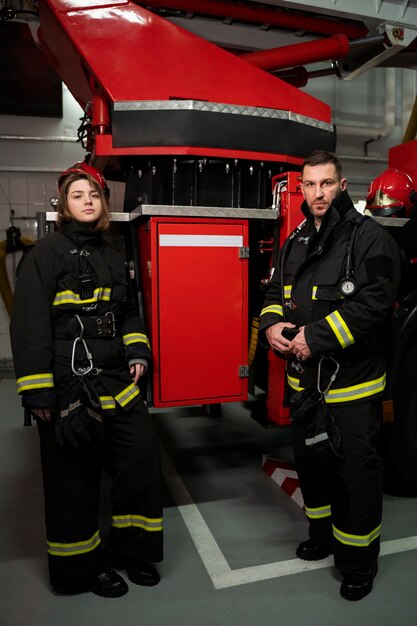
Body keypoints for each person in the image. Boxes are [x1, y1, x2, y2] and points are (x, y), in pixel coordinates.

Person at [10, 162, 163, 597]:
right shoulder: (44, 256)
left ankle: (131, 550)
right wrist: (39, 391)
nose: (88, 201)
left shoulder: (113, 255)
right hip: (67, 383)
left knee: (140, 457)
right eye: (78, 195)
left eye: (94, 194)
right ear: (64, 204)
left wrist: (137, 349)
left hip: (115, 377)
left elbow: (129, 312)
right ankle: (81, 570)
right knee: (72, 481)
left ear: (103, 204)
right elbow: (29, 325)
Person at [259, 150, 401, 601]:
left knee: (355, 474)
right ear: (301, 189)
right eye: (310, 185)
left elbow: (375, 304)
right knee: (313, 467)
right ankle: (322, 538)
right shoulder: (296, 239)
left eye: (326, 183)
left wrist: (313, 338)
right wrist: (272, 326)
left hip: (352, 386)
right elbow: (273, 291)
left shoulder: (370, 238)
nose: (318, 193)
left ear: (342, 186)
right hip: (306, 386)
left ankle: (358, 562)